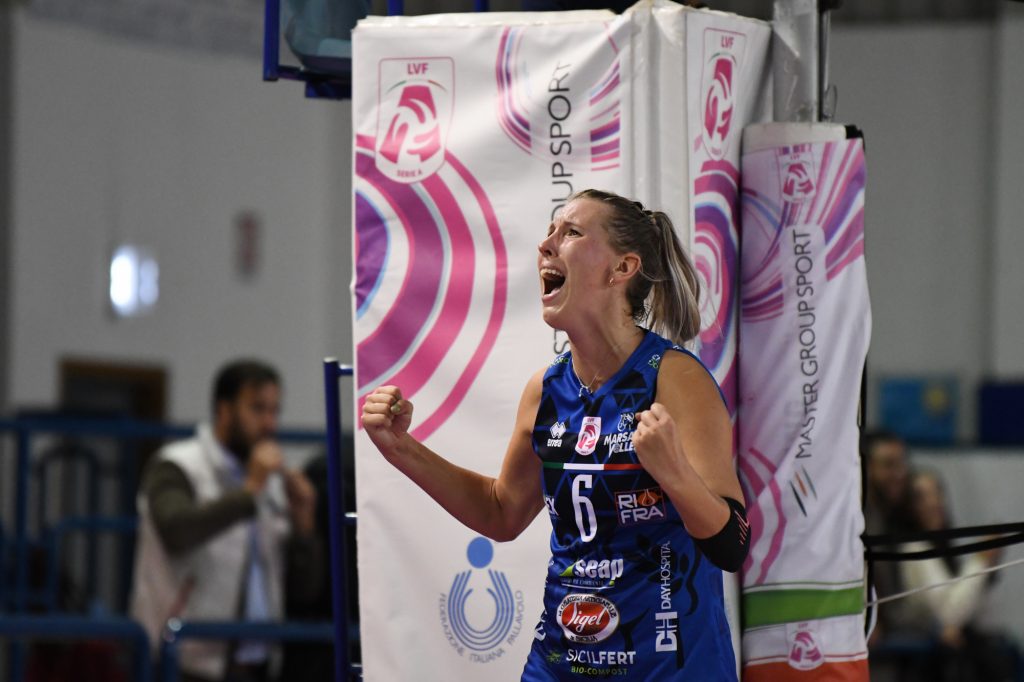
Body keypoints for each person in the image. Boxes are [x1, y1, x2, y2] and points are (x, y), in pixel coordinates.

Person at [362, 189, 749, 680]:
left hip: (668, 668)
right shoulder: (545, 389)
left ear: (622, 268)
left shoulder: (674, 378)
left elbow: (733, 544)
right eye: (549, 232)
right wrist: (401, 449)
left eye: (571, 232)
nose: (546, 245)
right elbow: (501, 512)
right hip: (562, 663)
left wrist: (675, 475)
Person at [130, 360, 321, 682]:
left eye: (275, 410)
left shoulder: (273, 483)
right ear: (224, 410)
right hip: (181, 661)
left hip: (256, 664)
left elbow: (304, 590)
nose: (269, 423)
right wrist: (249, 492)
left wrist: (305, 526)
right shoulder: (177, 466)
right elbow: (177, 531)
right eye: (257, 409)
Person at [897, 469, 1016, 682]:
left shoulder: (944, 549)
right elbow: (950, 615)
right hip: (924, 663)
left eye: (937, 493)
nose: (933, 503)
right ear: (909, 506)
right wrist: (982, 559)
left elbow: (969, 611)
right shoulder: (913, 549)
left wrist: (988, 566)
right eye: (921, 497)